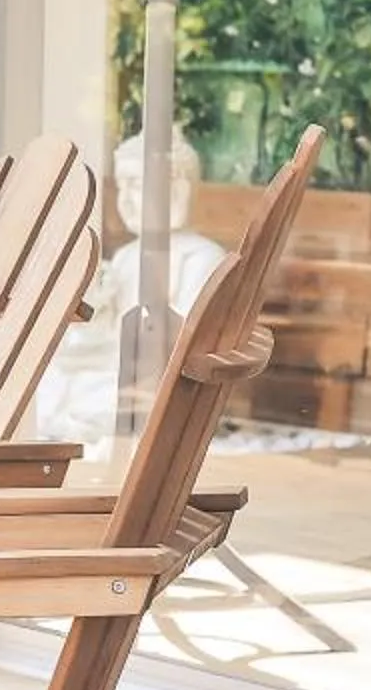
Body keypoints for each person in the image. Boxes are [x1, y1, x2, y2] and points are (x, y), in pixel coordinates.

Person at [32, 131, 228, 455]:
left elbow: (188, 345)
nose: (125, 198)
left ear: (176, 190)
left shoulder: (202, 258)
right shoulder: (126, 256)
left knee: (104, 395)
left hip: (153, 380)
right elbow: (109, 334)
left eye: (137, 186)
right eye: (122, 186)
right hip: (115, 366)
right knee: (50, 377)